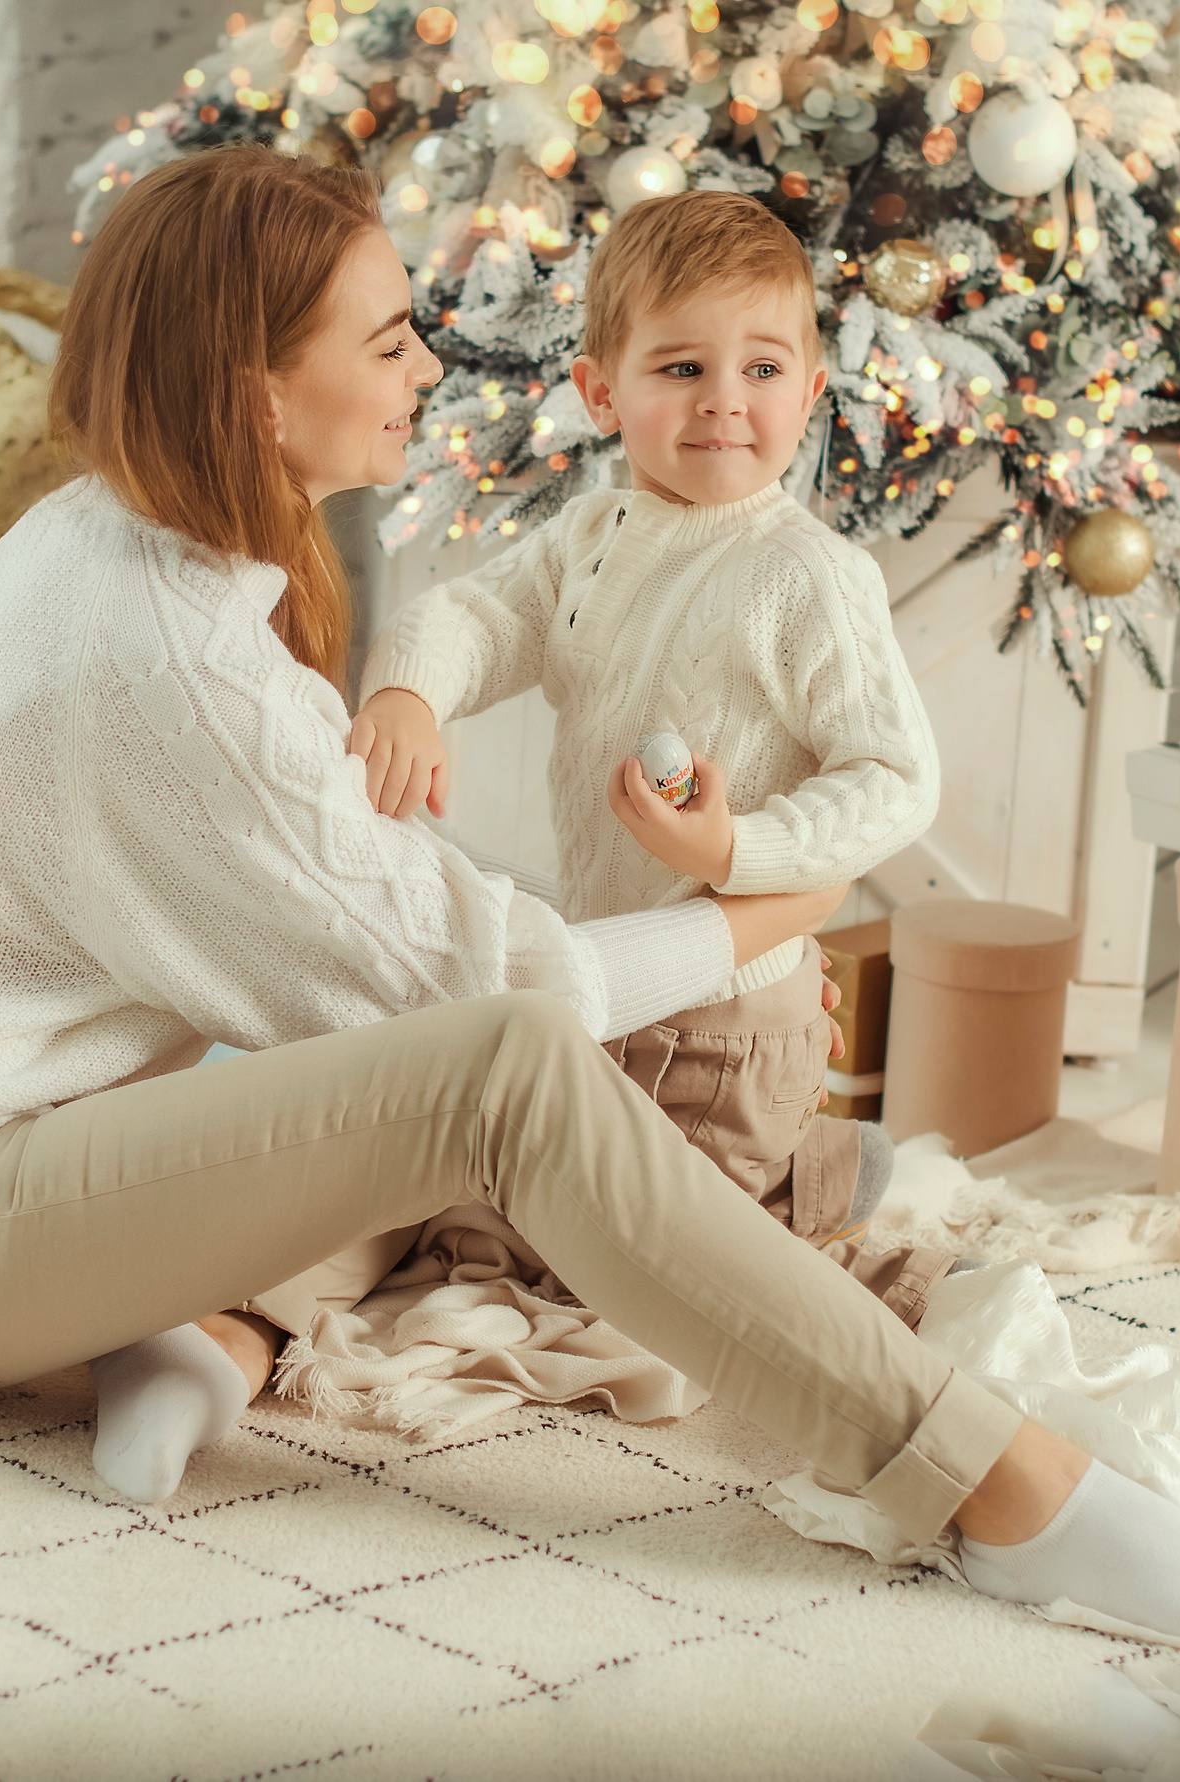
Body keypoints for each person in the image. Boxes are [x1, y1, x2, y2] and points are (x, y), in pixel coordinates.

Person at [0, 149, 1180, 1758]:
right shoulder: (177, 666)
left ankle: (214, 1333)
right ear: (259, 394)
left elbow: (378, 943)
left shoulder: (109, 536)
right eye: (388, 339)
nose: (428, 367)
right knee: (499, 1061)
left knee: (381, 1018)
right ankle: (1002, 1486)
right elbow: (510, 1001)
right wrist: (761, 910)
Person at [344, 190, 958, 1325]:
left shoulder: (807, 575)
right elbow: (479, 614)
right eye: (681, 368)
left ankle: (846, 1241)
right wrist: (408, 693)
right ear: (600, 393)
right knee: (536, 1188)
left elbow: (895, 777)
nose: (724, 400)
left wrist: (736, 847)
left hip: (725, 1012)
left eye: (762, 370)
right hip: (614, 971)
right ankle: (801, 1175)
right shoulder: (592, 535)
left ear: (810, 393)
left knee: (635, 1272)